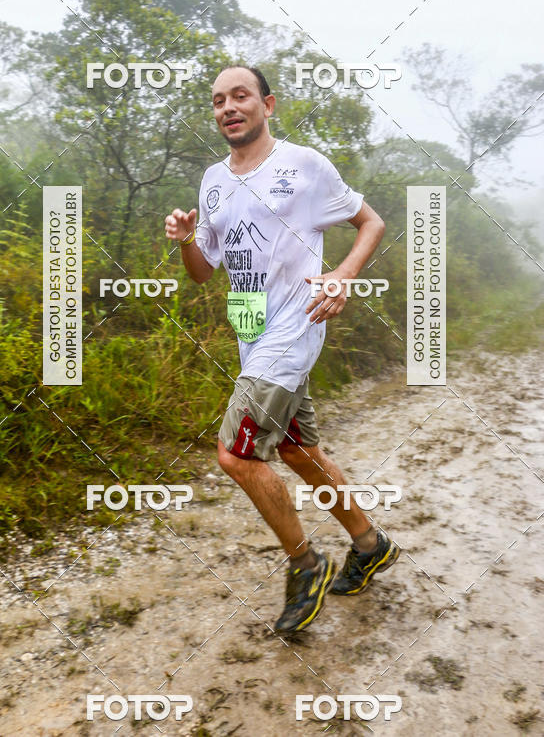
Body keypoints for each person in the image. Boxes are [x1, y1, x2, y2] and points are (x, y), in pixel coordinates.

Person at [164, 65, 399, 633]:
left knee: (237, 455)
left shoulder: (305, 166)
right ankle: (369, 544)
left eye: (240, 95)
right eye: (218, 100)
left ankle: (305, 564)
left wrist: (342, 273)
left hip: (295, 327)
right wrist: (186, 240)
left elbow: (371, 222)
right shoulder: (213, 180)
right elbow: (202, 274)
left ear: (267, 104)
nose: (228, 107)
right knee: (295, 451)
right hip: (252, 334)